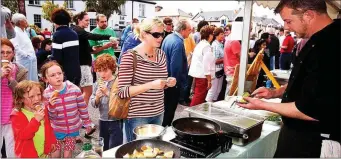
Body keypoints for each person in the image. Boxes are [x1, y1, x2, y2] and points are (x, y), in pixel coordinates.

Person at [238, 0, 340, 157]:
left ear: (308, 15)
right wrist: (274, 93)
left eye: (288, 21)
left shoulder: (331, 45)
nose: (286, 27)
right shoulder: (317, 39)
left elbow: (311, 109)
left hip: (312, 141)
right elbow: (307, 83)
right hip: (297, 134)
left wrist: (262, 105)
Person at [118, 18, 176, 142]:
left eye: (163, 34)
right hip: (137, 115)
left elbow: (157, 81)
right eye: (156, 34)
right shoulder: (130, 56)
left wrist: (167, 82)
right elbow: (122, 91)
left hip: (158, 111)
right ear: (144, 34)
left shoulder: (161, 55)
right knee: (136, 152)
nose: (161, 37)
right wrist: (150, 85)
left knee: (153, 150)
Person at [41, 61, 94, 158]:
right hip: (56, 129)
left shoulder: (74, 89)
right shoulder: (46, 94)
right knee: (55, 154)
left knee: (67, 155)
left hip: (72, 128)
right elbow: (50, 117)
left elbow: (82, 107)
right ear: (46, 79)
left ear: (63, 74)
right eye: (53, 75)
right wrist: (51, 107)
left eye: (59, 73)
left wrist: (87, 122)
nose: (57, 77)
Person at [72, 11, 115, 106]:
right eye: (86, 20)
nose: (88, 22)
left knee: (81, 92)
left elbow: (85, 47)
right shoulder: (78, 30)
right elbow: (92, 36)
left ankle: (81, 115)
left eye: (89, 20)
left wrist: (92, 48)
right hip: (82, 65)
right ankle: (82, 115)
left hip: (83, 64)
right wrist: (109, 37)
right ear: (79, 20)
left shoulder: (77, 31)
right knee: (88, 91)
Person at [10, 80, 57, 158]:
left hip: (43, 152)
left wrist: (52, 141)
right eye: (31, 96)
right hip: (28, 154)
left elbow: (48, 126)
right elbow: (23, 135)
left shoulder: (42, 108)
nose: (36, 99)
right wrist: (36, 120)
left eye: (38, 94)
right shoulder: (17, 115)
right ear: (21, 99)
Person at [161, 19, 192, 126]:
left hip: (166, 79)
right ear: (182, 30)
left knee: (165, 110)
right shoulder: (178, 42)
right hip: (172, 83)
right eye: (189, 30)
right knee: (169, 111)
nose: (190, 32)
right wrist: (177, 84)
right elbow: (176, 66)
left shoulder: (169, 37)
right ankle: (164, 131)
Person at [1, 38, 28, 158]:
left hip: (11, 115)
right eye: (2, 52)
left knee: (13, 151)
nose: (5, 55)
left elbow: (22, 93)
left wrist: (11, 79)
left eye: (8, 52)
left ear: (13, 53)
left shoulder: (20, 70)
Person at [89, 54, 123, 150]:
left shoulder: (118, 82)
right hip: (102, 120)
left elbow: (121, 102)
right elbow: (93, 103)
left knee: (115, 148)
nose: (102, 74)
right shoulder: (97, 84)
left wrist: (107, 93)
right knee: (104, 147)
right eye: (99, 71)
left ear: (112, 69)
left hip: (116, 120)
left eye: (105, 70)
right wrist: (97, 98)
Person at [50, 8, 81, 86]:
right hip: (76, 70)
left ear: (55, 22)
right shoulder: (74, 33)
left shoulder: (57, 35)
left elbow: (57, 57)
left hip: (64, 73)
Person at [188, 25, 216, 106]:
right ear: (209, 35)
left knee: (198, 96)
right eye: (212, 34)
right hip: (203, 76)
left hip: (199, 75)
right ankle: (192, 114)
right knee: (199, 97)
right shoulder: (206, 46)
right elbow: (206, 64)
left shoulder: (200, 44)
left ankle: (193, 113)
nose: (213, 36)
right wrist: (209, 80)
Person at [10, 13, 38, 81]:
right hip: (24, 60)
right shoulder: (15, 32)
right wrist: (26, 55)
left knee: (33, 78)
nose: (26, 21)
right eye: (24, 20)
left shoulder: (24, 31)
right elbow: (16, 47)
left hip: (31, 58)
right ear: (20, 22)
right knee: (25, 79)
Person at [205, 27, 225, 102]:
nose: (223, 36)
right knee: (212, 90)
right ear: (216, 35)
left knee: (218, 90)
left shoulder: (220, 44)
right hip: (215, 70)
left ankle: (212, 106)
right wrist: (225, 59)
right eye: (221, 34)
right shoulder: (215, 45)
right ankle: (206, 107)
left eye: (223, 34)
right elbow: (215, 60)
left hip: (220, 70)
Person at [179, 31, 196, 106]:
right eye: (188, 30)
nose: (189, 31)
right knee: (186, 82)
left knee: (187, 82)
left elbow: (193, 48)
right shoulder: (183, 38)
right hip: (187, 62)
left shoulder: (189, 36)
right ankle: (183, 98)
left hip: (188, 61)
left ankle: (184, 97)